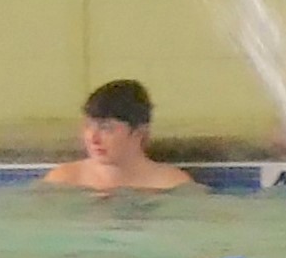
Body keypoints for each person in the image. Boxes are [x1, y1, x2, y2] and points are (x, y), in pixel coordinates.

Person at [39, 79, 195, 193]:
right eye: (88, 126)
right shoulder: (63, 181)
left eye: (106, 128)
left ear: (138, 132)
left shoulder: (171, 185)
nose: (94, 138)